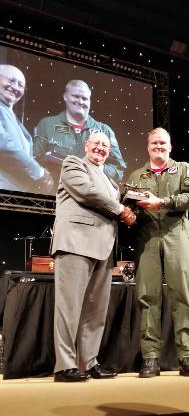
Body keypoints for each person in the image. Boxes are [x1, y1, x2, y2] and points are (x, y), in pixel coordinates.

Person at [51, 130, 136, 382]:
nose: (100, 148)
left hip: (103, 247)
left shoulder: (110, 180)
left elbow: (110, 203)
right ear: (86, 145)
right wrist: (122, 209)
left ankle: (88, 362)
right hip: (76, 243)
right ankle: (64, 366)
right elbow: (87, 192)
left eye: (105, 145)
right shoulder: (73, 163)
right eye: (96, 143)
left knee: (95, 311)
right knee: (69, 308)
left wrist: (130, 209)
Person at [127, 127, 189, 377]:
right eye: (154, 143)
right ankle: (150, 358)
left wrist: (162, 202)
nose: (158, 147)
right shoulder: (137, 175)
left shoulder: (183, 168)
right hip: (147, 239)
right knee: (148, 298)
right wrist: (128, 214)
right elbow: (131, 208)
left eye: (163, 143)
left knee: (182, 295)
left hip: (176, 237)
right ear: (147, 147)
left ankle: (187, 357)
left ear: (170, 146)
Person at [33, 79, 127, 185]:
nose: (81, 101)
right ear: (65, 97)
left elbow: (119, 169)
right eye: (76, 96)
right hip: (56, 194)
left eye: (85, 98)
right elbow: (35, 159)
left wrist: (96, 168)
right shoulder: (47, 124)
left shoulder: (105, 130)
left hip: (91, 196)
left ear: (90, 102)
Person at [0, 64, 53, 193]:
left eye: (20, 85)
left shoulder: (11, 115)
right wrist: (39, 172)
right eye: (11, 81)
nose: (15, 87)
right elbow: (3, 143)